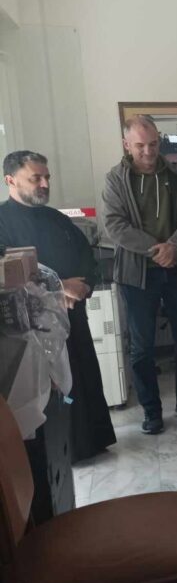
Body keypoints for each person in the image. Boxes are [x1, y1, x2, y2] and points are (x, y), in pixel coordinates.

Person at [0, 151, 117, 461]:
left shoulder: (57, 218)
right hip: (31, 328)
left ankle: (92, 441)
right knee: (52, 390)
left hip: (72, 316)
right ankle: (64, 452)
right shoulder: (2, 221)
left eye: (47, 177)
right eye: (35, 178)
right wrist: (56, 287)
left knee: (82, 378)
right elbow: (8, 274)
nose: (44, 184)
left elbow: (87, 256)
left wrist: (84, 285)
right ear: (10, 180)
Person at [101, 115, 177, 435]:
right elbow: (115, 225)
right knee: (142, 348)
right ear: (126, 144)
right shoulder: (115, 179)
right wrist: (156, 250)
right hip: (137, 275)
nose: (148, 151)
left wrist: (174, 246)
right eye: (140, 145)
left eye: (153, 144)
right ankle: (151, 411)